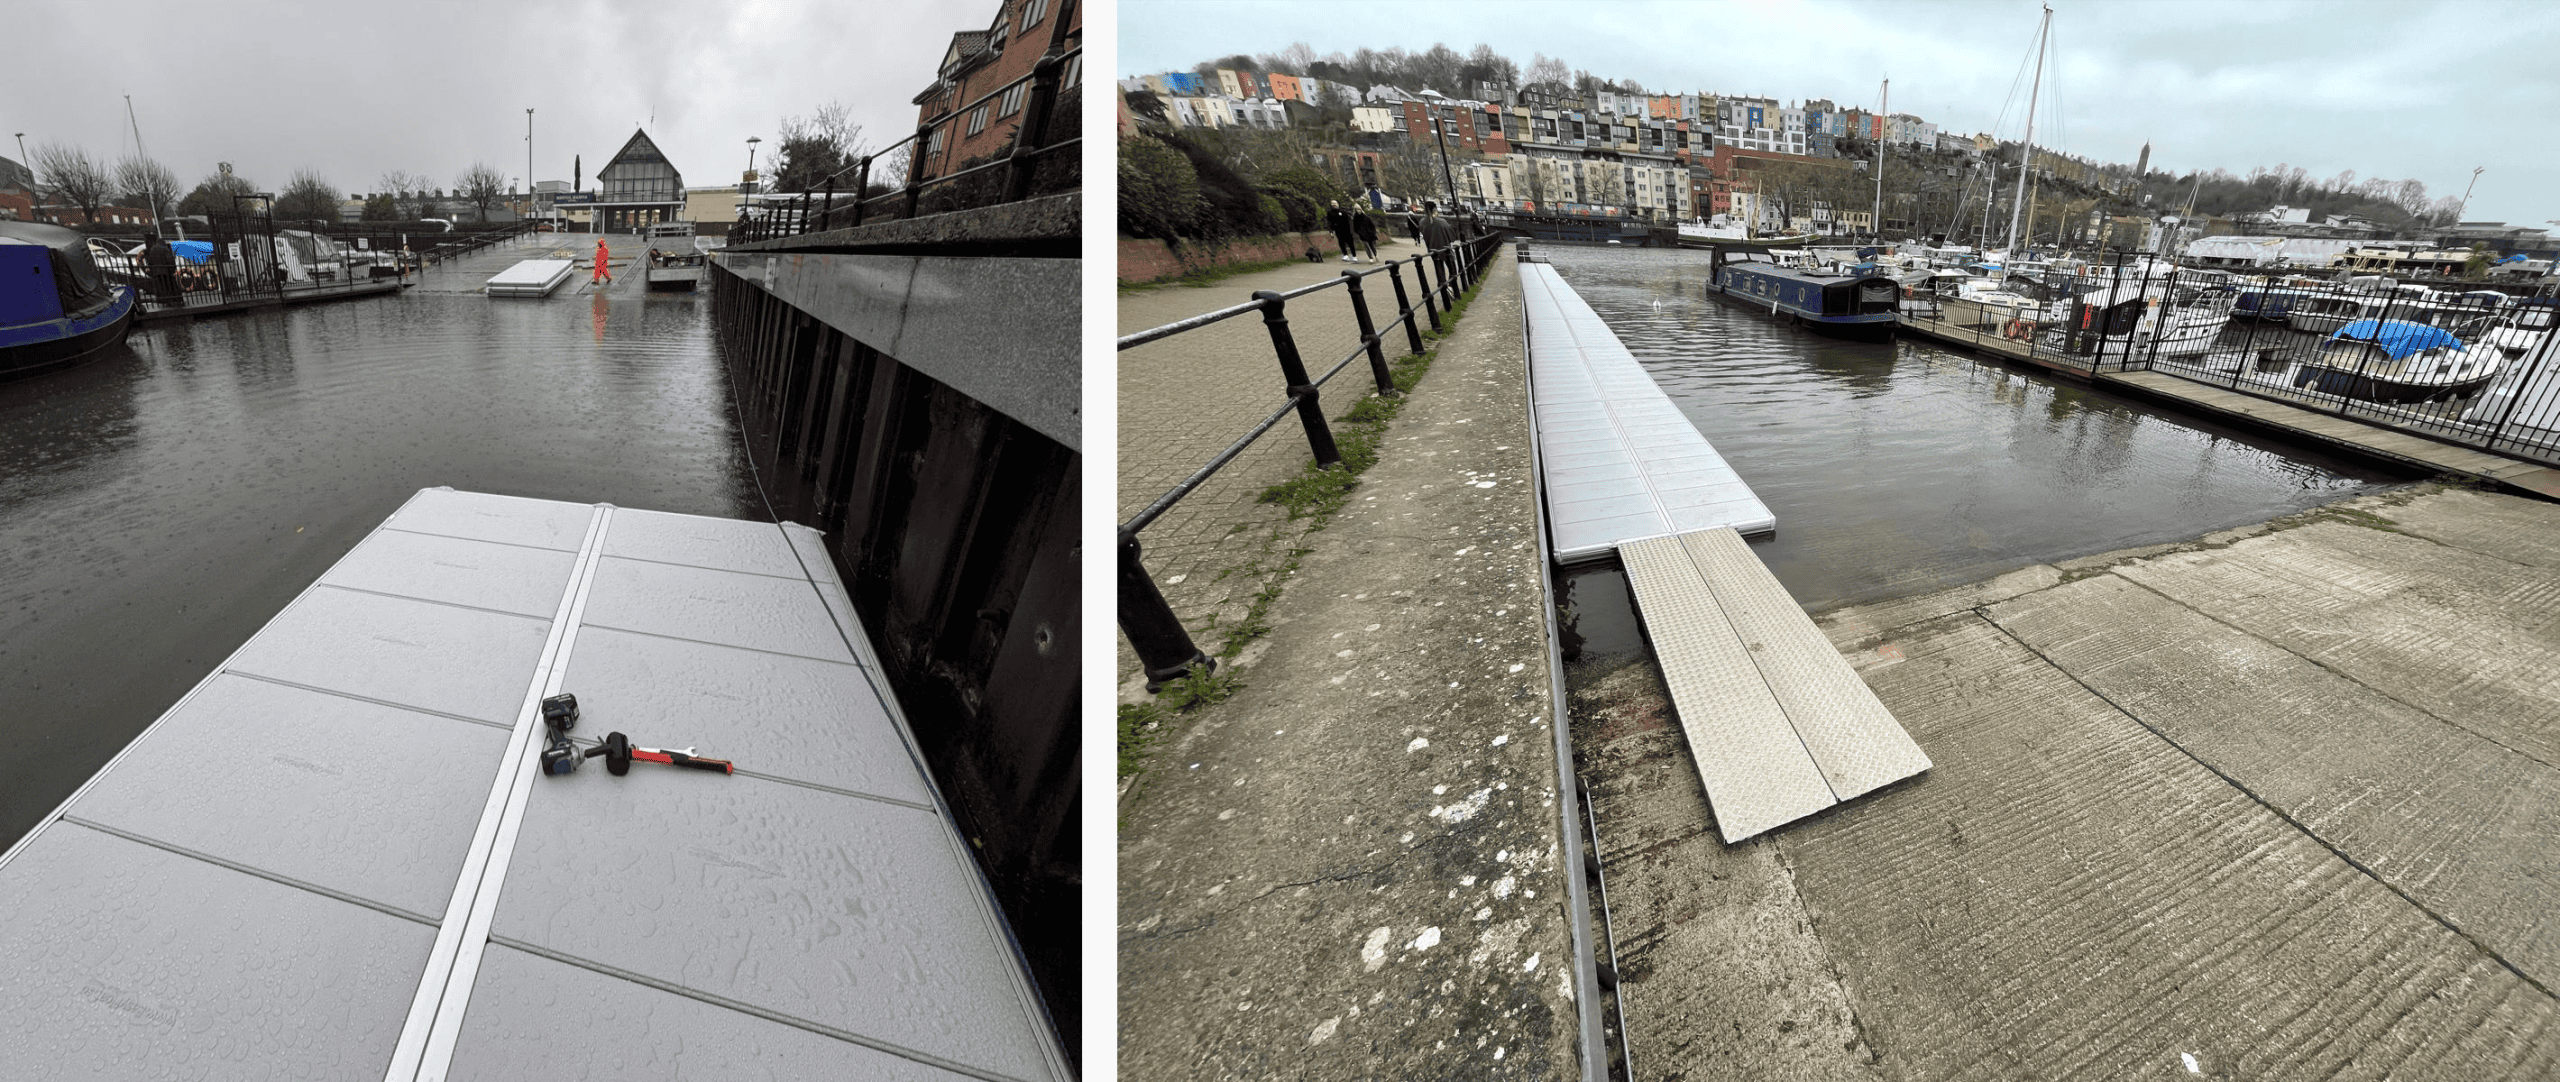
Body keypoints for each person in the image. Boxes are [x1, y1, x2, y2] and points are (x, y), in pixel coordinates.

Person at [141, 233, 181, 304]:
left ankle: (163, 300)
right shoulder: (165, 249)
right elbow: (170, 260)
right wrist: (173, 268)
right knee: (169, 286)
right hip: (166, 271)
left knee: (160, 287)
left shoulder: (152, 249)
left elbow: (150, 262)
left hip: (156, 272)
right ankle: (173, 300)